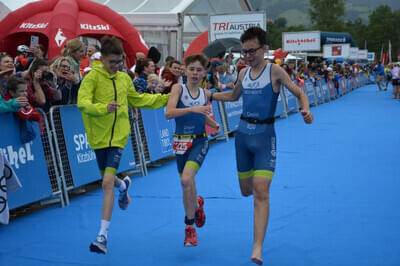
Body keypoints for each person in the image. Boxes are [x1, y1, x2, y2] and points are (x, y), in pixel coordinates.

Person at [211, 27, 313, 265]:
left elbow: (299, 93)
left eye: (252, 51)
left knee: (261, 192)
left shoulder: (274, 71)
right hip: (243, 138)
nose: (247, 55)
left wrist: (306, 110)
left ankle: (257, 246)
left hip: (265, 138)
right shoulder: (243, 73)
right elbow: (234, 97)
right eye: (244, 51)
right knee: (246, 191)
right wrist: (210, 95)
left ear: (264, 48)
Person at [77, 36, 170, 254]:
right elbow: (83, 103)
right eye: (113, 62)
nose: (117, 66)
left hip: (118, 136)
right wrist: (103, 108)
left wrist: (165, 98)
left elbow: (138, 100)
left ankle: (102, 236)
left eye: (120, 62)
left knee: (106, 182)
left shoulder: (123, 79)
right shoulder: (92, 78)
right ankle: (123, 185)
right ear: (103, 60)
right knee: (108, 180)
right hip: (98, 137)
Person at [165, 53, 220, 247]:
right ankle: (197, 204)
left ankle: (189, 229)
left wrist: (213, 124)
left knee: (186, 179)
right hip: (181, 142)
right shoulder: (178, 89)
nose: (195, 73)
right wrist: (192, 110)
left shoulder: (205, 93)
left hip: (199, 141)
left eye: (199, 70)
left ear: (205, 72)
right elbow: (168, 113)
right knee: (187, 185)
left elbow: (202, 115)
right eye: (192, 69)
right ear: (185, 70)